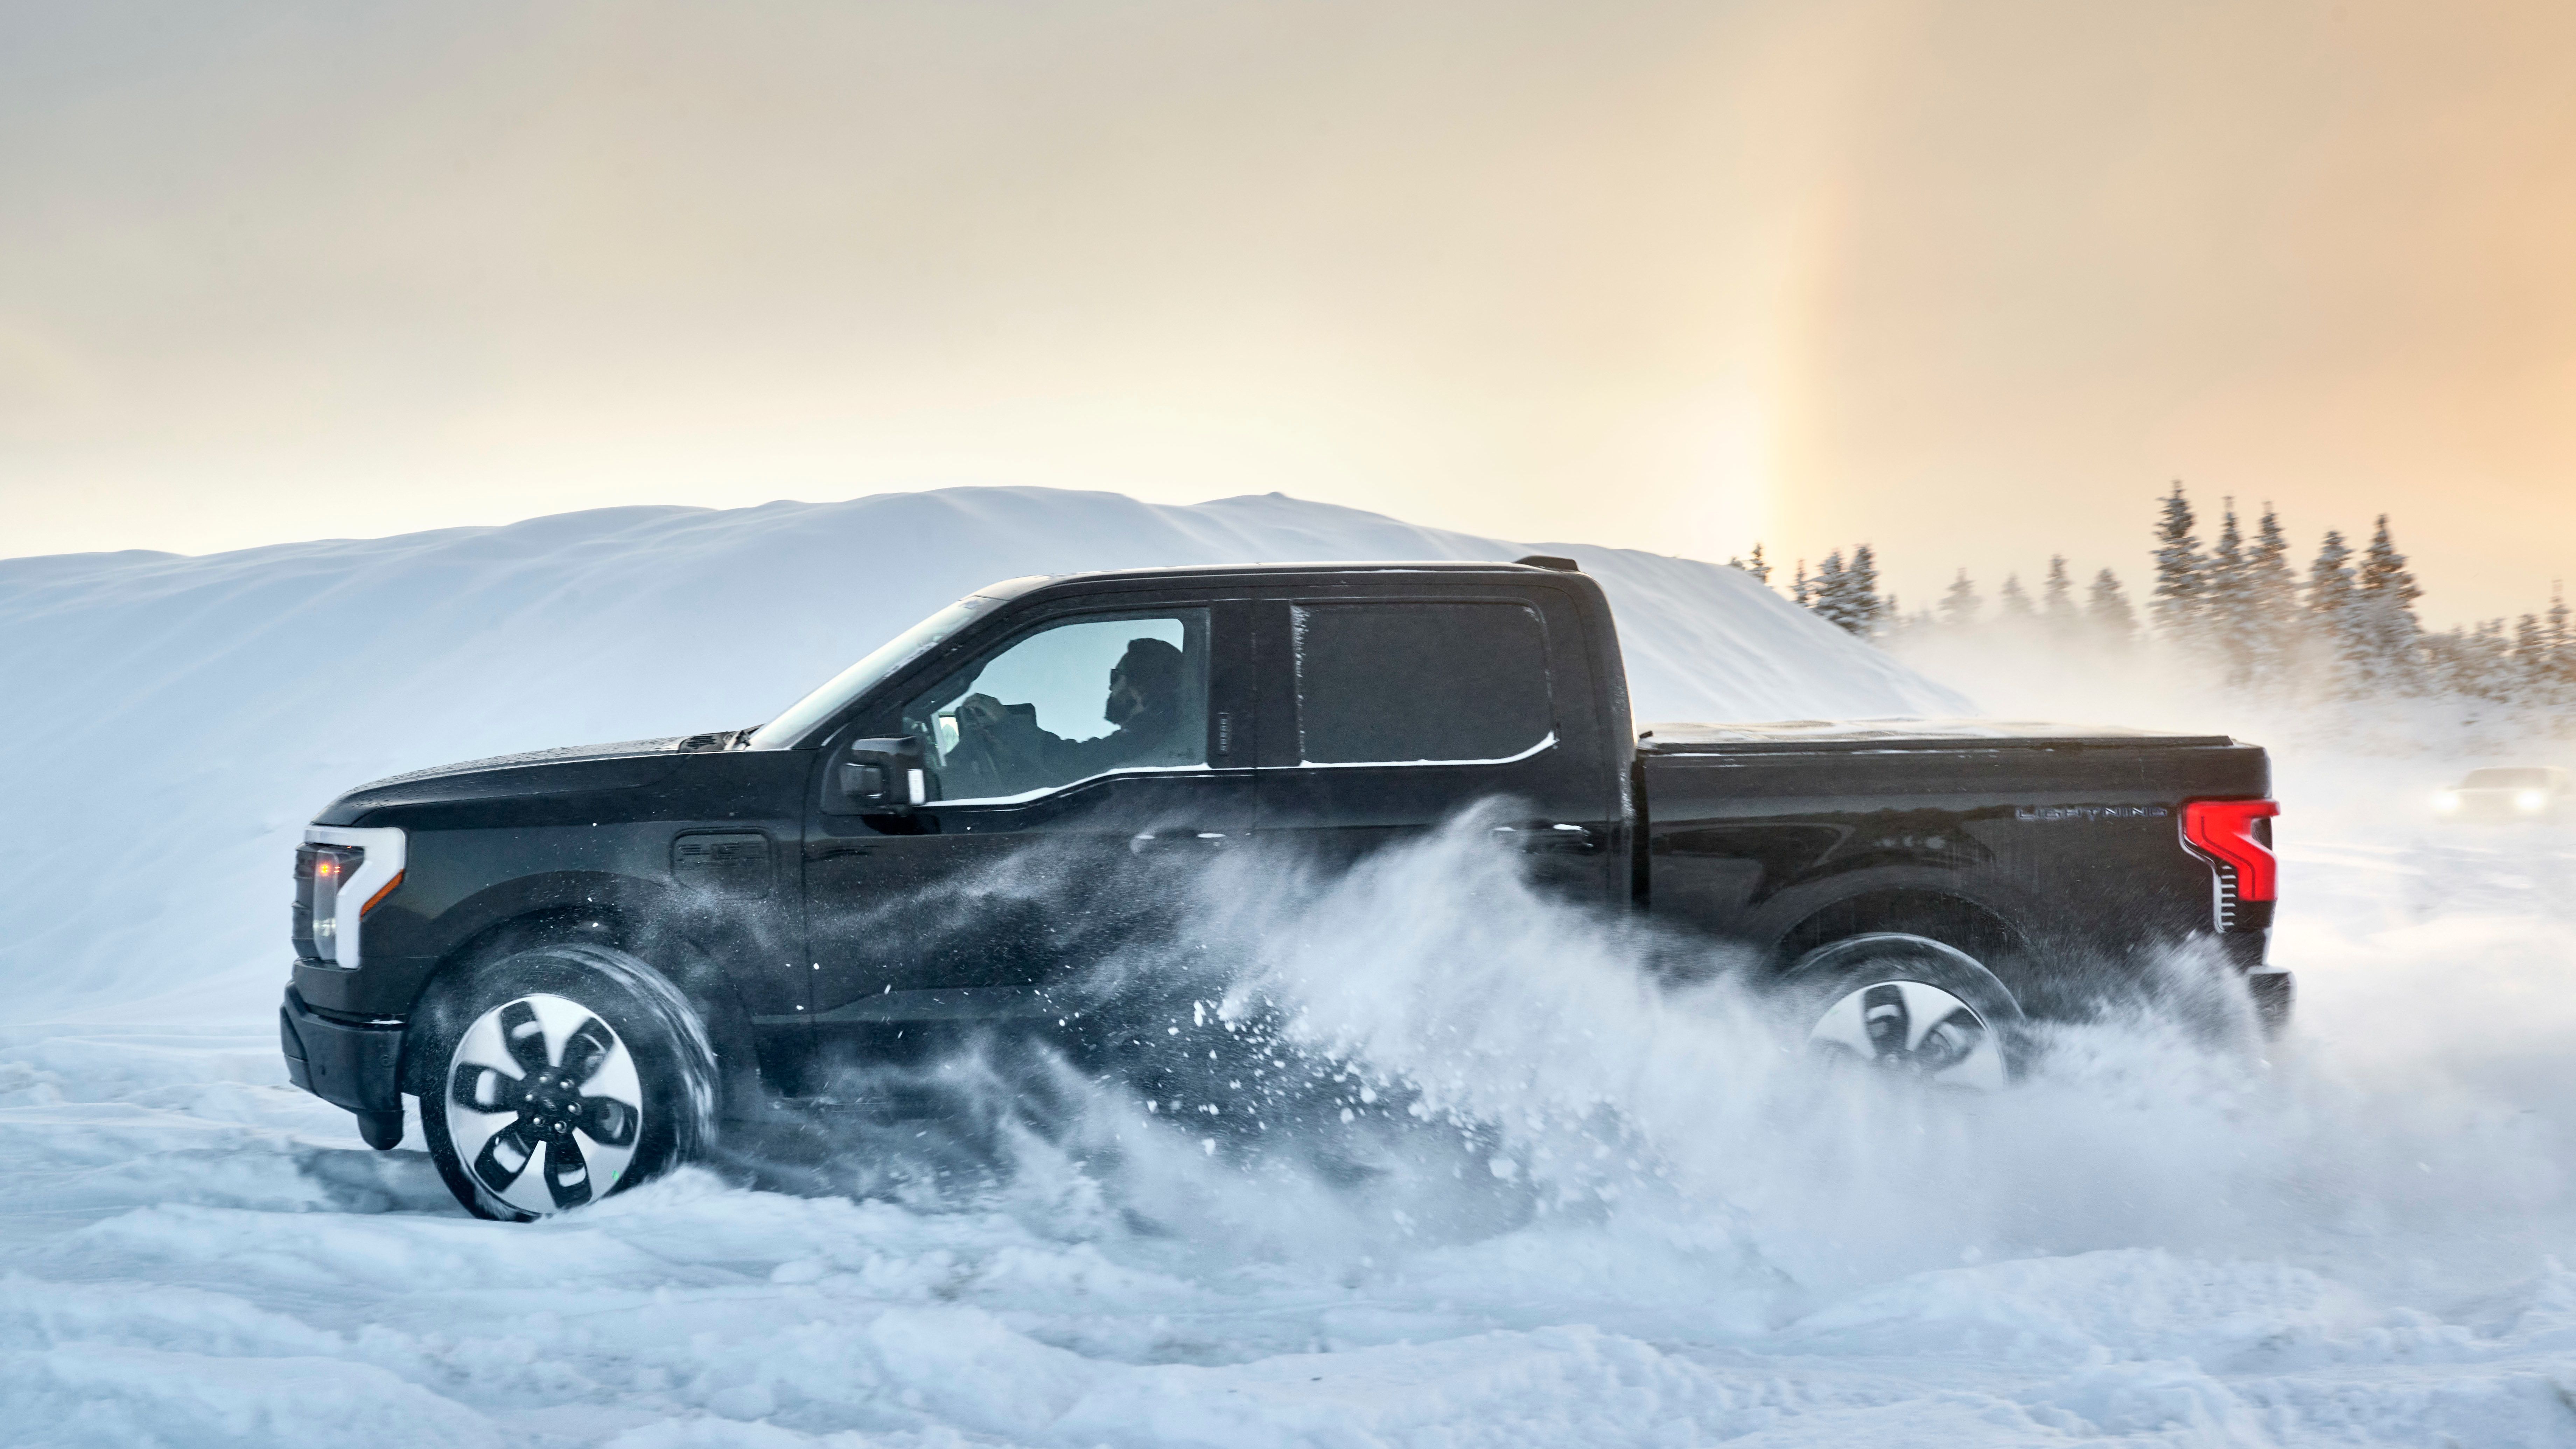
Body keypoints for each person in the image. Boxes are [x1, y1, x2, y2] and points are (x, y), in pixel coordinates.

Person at [954, 637, 1189, 790]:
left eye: (1115, 677)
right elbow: (1071, 782)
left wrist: (1007, 723)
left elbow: (1072, 763)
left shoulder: (1146, 737)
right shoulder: (1153, 735)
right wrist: (1011, 760)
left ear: (1139, 687)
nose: (1110, 687)